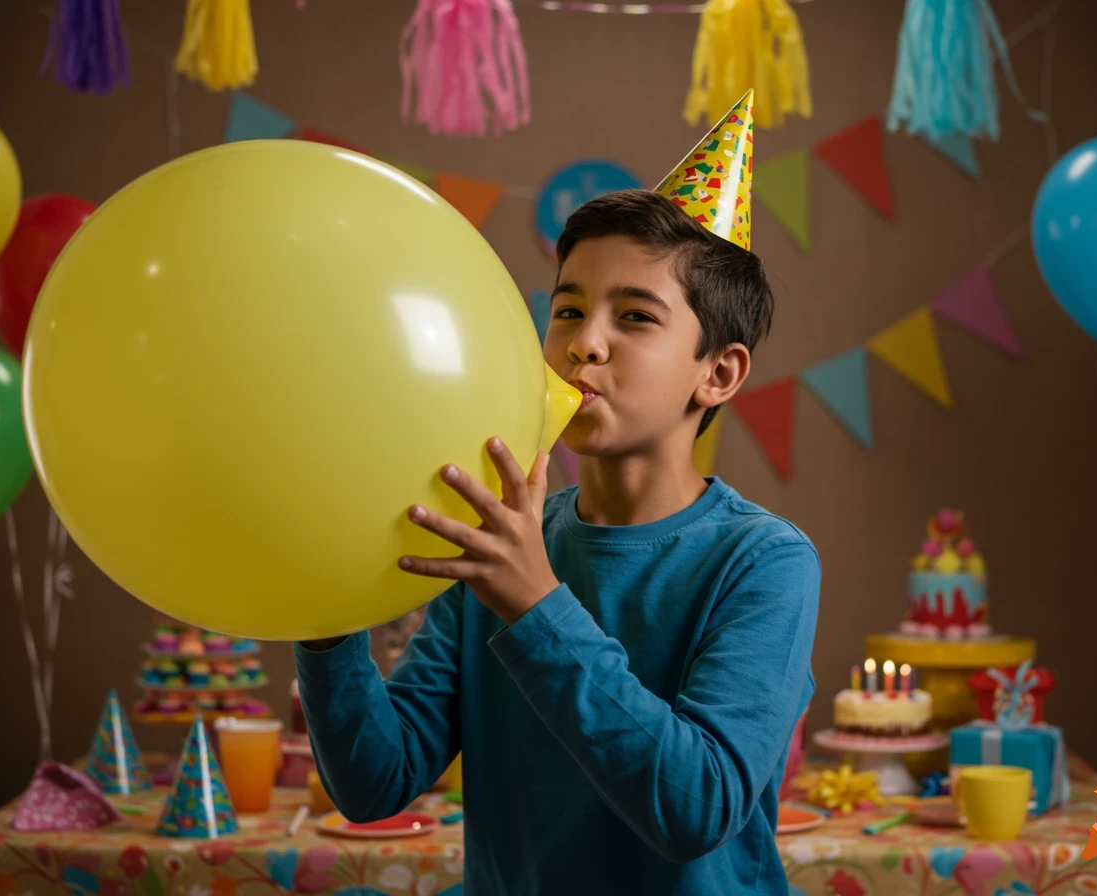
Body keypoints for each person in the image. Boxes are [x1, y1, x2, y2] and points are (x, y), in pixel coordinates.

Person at [295, 89, 820, 896]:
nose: (585, 343)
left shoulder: (763, 561)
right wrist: (323, 616)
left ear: (718, 373)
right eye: (567, 310)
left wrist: (535, 603)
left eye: (636, 317)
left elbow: (697, 808)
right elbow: (375, 781)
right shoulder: (503, 542)